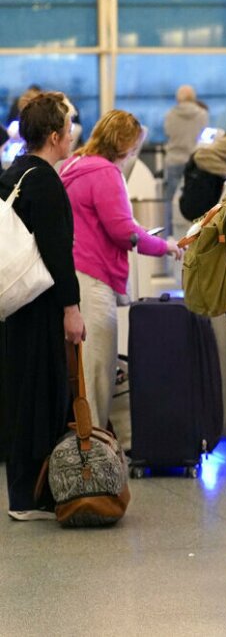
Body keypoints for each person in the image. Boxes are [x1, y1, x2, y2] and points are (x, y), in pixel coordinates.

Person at [59, 110, 183, 443]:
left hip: (72, 273)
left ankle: (86, 443)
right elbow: (121, 232)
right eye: (134, 146)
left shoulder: (73, 165)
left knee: (81, 372)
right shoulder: (105, 172)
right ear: (124, 144)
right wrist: (164, 245)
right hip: (94, 277)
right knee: (99, 373)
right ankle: (94, 450)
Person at [0, 92, 86, 520]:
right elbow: (58, 253)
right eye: (68, 131)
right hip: (40, 306)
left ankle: (21, 492)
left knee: (16, 395)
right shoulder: (47, 181)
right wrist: (72, 307)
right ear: (55, 136)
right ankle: (34, 494)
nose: (71, 138)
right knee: (42, 394)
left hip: (12, 305)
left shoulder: (13, 173)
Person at [163, 84, 209, 204]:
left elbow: (168, 133)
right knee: (194, 198)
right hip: (194, 161)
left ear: (178, 98)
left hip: (174, 159)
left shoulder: (170, 114)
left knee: (171, 198)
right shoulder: (203, 114)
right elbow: (204, 137)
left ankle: (169, 222)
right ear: (193, 98)